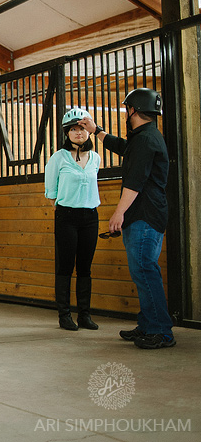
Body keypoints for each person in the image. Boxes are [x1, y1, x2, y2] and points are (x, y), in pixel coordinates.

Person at [80, 88, 174, 349]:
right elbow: (124, 148)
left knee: (144, 269)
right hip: (145, 214)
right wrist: (96, 129)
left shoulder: (146, 140)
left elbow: (135, 182)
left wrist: (118, 213)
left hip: (144, 214)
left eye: (126, 109)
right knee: (142, 270)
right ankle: (148, 324)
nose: (125, 112)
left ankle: (160, 331)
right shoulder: (145, 137)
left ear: (132, 110)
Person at [44, 108, 101, 331]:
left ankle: (85, 315)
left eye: (83, 128)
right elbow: (51, 192)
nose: (79, 133)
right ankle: (64, 315)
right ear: (67, 133)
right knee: (66, 266)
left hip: (90, 216)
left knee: (85, 267)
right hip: (67, 216)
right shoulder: (58, 158)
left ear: (89, 131)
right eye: (74, 129)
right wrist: (63, 211)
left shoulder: (95, 158)